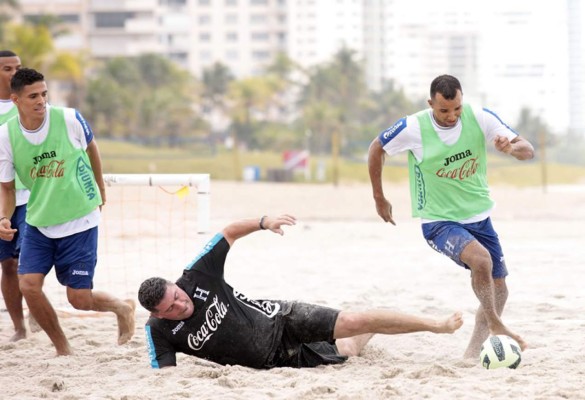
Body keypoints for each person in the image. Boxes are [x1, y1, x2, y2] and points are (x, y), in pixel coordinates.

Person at [138, 214, 464, 369]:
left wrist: (264, 221)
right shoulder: (158, 332)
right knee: (348, 349)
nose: (182, 302)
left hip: (283, 317)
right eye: (173, 307)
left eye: (177, 295)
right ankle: (374, 326)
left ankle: (436, 325)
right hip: (276, 359)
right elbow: (165, 376)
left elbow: (228, 232)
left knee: (352, 320)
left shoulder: (195, 276)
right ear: (158, 314)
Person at [367, 74, 534, 358]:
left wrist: (510, 148)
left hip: (479, 218)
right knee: (481, 260)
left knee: (500, 290)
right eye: (443, 110)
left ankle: (471, 354)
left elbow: (527, 151)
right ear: (431, 103)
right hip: (439, 221)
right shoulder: (413, 126)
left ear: (462, 101)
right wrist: (379, 197)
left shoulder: (479, 116)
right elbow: (376, 148)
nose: (451, 116)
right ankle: (496, 324)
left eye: (456, 108)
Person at [0, 67, 135, 355]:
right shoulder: (6, 136)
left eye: (44, 94)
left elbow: (91, 148)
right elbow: (8, 188)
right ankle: (63, 347)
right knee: (29, 285)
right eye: (33, 96)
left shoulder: (70, 118)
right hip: (38, 221)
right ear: (16, 100)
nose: (41, 101)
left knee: (79, 299)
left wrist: (100, 187)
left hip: (79, 219)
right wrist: (3, 216)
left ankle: (121, 308)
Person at [0, 50, 33, 342]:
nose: (14, 73)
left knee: (31, 263)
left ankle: (37, 305)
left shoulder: (28, 104)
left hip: (31, 195)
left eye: (18, 67)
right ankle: (18, 326)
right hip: (3, 197)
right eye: (7, 68)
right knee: (8, 264)